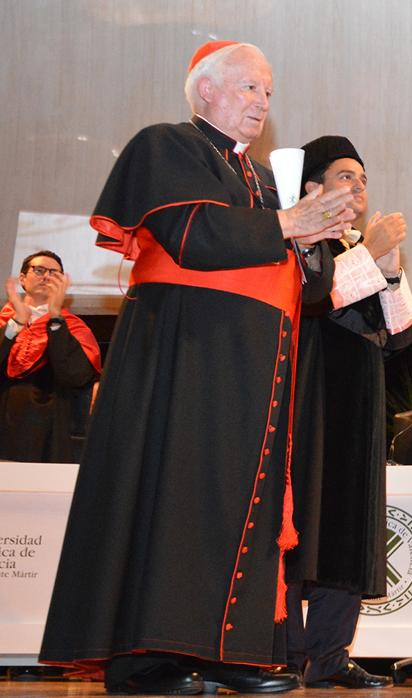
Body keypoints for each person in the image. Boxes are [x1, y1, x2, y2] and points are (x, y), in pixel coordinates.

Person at [38, 41, 356, 695]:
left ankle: (229, 650)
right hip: (183, 360)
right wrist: (287, 226)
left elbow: (311, 290)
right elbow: (192, 237)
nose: (262, 103)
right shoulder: (166, 146)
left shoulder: (265, 179)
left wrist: (317, 242)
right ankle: (147, 657)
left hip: (252, 369)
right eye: (249, 88)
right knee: (176, 499)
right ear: (206, 89)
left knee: (240, 506)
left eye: (268, 92)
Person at [284, 135, 412, 690]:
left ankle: (330, 657)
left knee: (347, 522)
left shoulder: (362, 242)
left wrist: (386, 267)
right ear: (312, 187)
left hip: (359, 395)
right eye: (345, 177)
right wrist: (369, 254)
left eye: (362, 180)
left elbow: (403, 334)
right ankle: (285, 653)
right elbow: (312, 299)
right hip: (309, 392)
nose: (358, 188)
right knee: (302, 520)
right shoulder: (298, 236)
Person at [1, 251, 100, 462]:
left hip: (46, 429)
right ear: (22, 279)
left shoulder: (72, 326)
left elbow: (76, 376)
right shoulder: (5, 321)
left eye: (54, 273)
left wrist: (55, 317)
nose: (46, 276)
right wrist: (17, 322)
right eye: (39, 270)